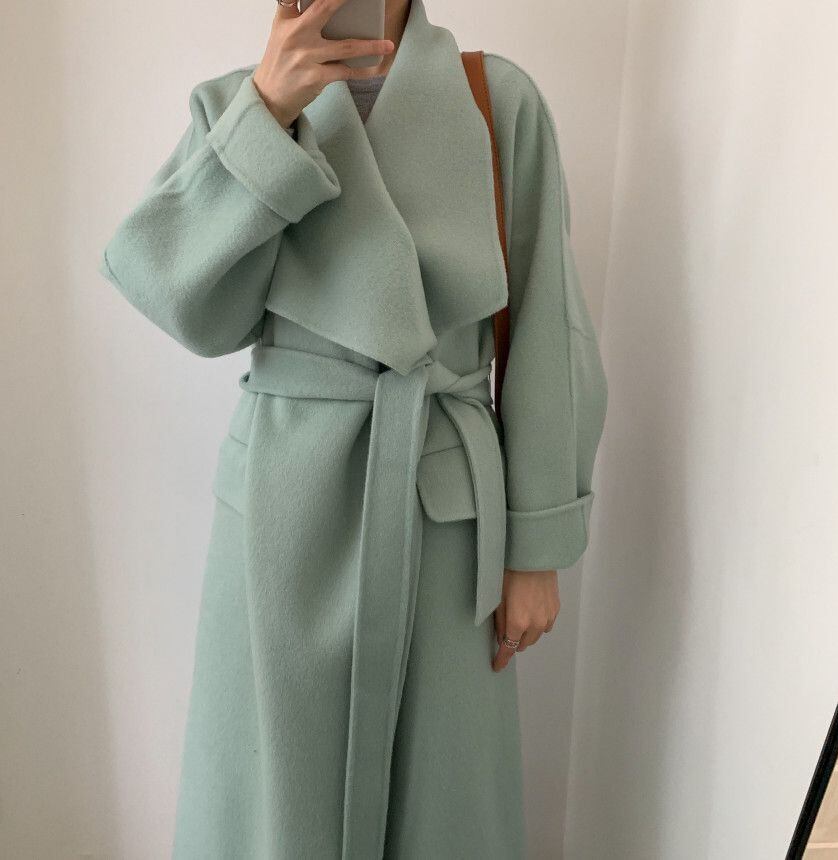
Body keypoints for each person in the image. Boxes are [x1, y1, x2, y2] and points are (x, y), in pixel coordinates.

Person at [97, 0, 608, 855]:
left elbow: (549, 325)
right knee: (269, 799)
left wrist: (536, 546)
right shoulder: (236, 104)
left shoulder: (496, 101)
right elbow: (177, 296)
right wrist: (267, 112)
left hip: (440, 512)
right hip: (282, 509)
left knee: (441, 805)